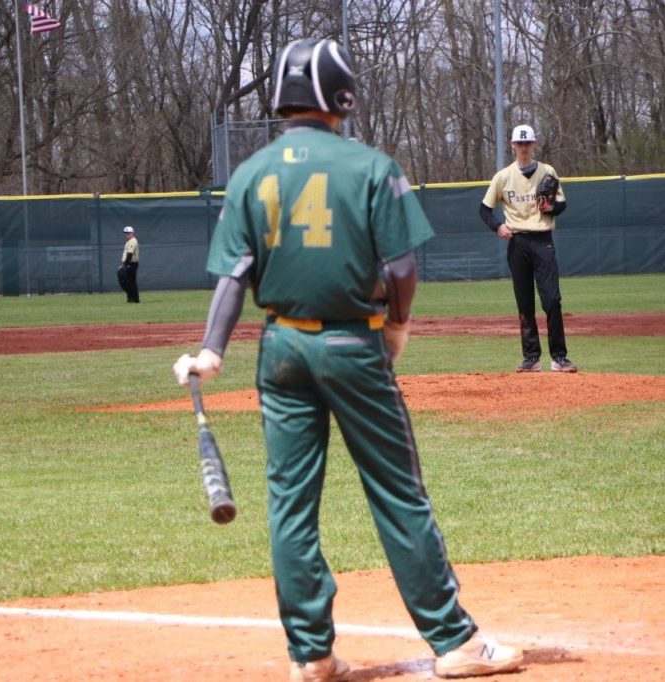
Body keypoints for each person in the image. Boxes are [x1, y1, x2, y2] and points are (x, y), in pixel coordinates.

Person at [171, 38, 523, 682]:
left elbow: (233, 274)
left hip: (280, 349)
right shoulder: (371, 167)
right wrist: (397, 329)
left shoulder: (250, 173)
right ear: (342, 97)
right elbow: (402, 268)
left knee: (290, 503)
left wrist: (210, 351)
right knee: (397, 492)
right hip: (352, 346)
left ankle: (311, 655)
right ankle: (455, 642)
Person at [479, 124, 577, 373]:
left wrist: (551, 207)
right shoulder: (503, 177)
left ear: (534, 144)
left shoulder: (547, 171)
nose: (524, 147)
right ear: (513, 145)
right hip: (518, 243)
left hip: (543, 240)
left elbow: (562, 204)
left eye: (527, 143)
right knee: (524, 302)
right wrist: (498, 227)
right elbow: (484, 209)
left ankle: (559, 357)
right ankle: (531, 357)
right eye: (520, 143)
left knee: (552, 300)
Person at [120, 225, 139, 303]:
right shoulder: (129, 241)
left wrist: (125, 265)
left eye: (128, 233)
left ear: (132, 233)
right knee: (128, 281)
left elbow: (130, 254)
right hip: (129, 263)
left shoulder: (133, 241)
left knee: (131, 282)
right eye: (126, 233)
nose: (127, 234)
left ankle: (134, 299)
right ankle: (131, 298)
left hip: (131, 263)